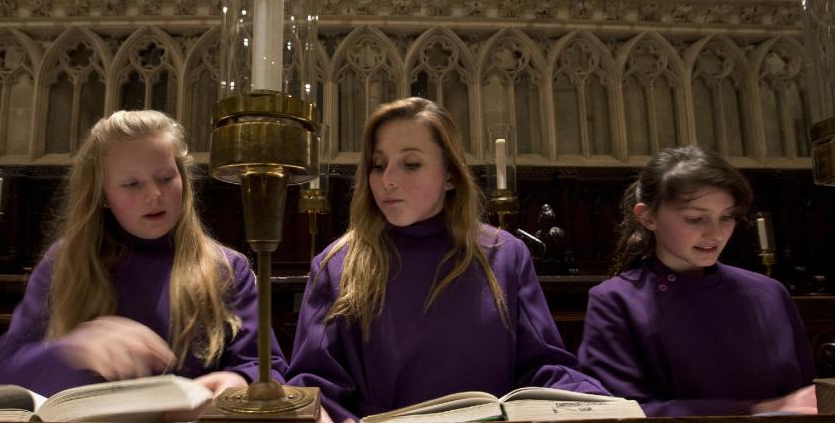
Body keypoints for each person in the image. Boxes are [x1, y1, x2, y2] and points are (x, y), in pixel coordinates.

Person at [286, 97, 608, 423]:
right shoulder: (338, 264)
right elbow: (314, 386)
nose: (387, 180)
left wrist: (599, 404)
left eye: (410, 164)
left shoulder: (503, 255)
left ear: (451, 175)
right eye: (378, 165)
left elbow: (543, 367)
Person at [0, 110, 286, 398]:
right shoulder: (66, 263)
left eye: (166, 178)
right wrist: (71, 351)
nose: (154, 195)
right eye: (132, 184)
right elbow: (0, 373)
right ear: (102, 195)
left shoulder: (226, 268)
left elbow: (267, 368)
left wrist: (238, 382)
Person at [577, 145, 817, 416]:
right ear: (648, 217)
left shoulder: (770, 292)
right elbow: (619, 411)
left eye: (727, 217)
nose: (715, 234)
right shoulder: (616, 299)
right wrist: (757, 409)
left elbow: (807, 396)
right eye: (695, 219)